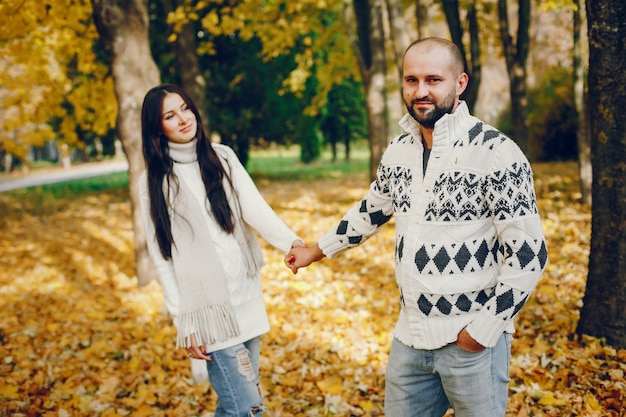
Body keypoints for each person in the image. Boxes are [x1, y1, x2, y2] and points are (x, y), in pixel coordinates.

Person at [285, 37, 548, 417]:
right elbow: (372, 210)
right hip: (410, 337)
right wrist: (318, 249)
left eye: (433, 80)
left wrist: (483, 331)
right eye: (411, 80)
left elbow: (530, 255)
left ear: (459, 83)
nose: (420, 91)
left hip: (471, 341)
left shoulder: (494, 152)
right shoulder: (399, 150)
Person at [139, 84, 303, 417]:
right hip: (209, 313)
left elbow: (254, 208)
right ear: (158, 128)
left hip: (246, 298)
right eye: (170, 115)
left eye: (185, 108)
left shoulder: (222, 156)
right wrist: (183, 322)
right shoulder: (154, 181)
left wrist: (292, 243)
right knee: (249, 407)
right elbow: (162, 256)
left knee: (234, 405)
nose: (184, 119)